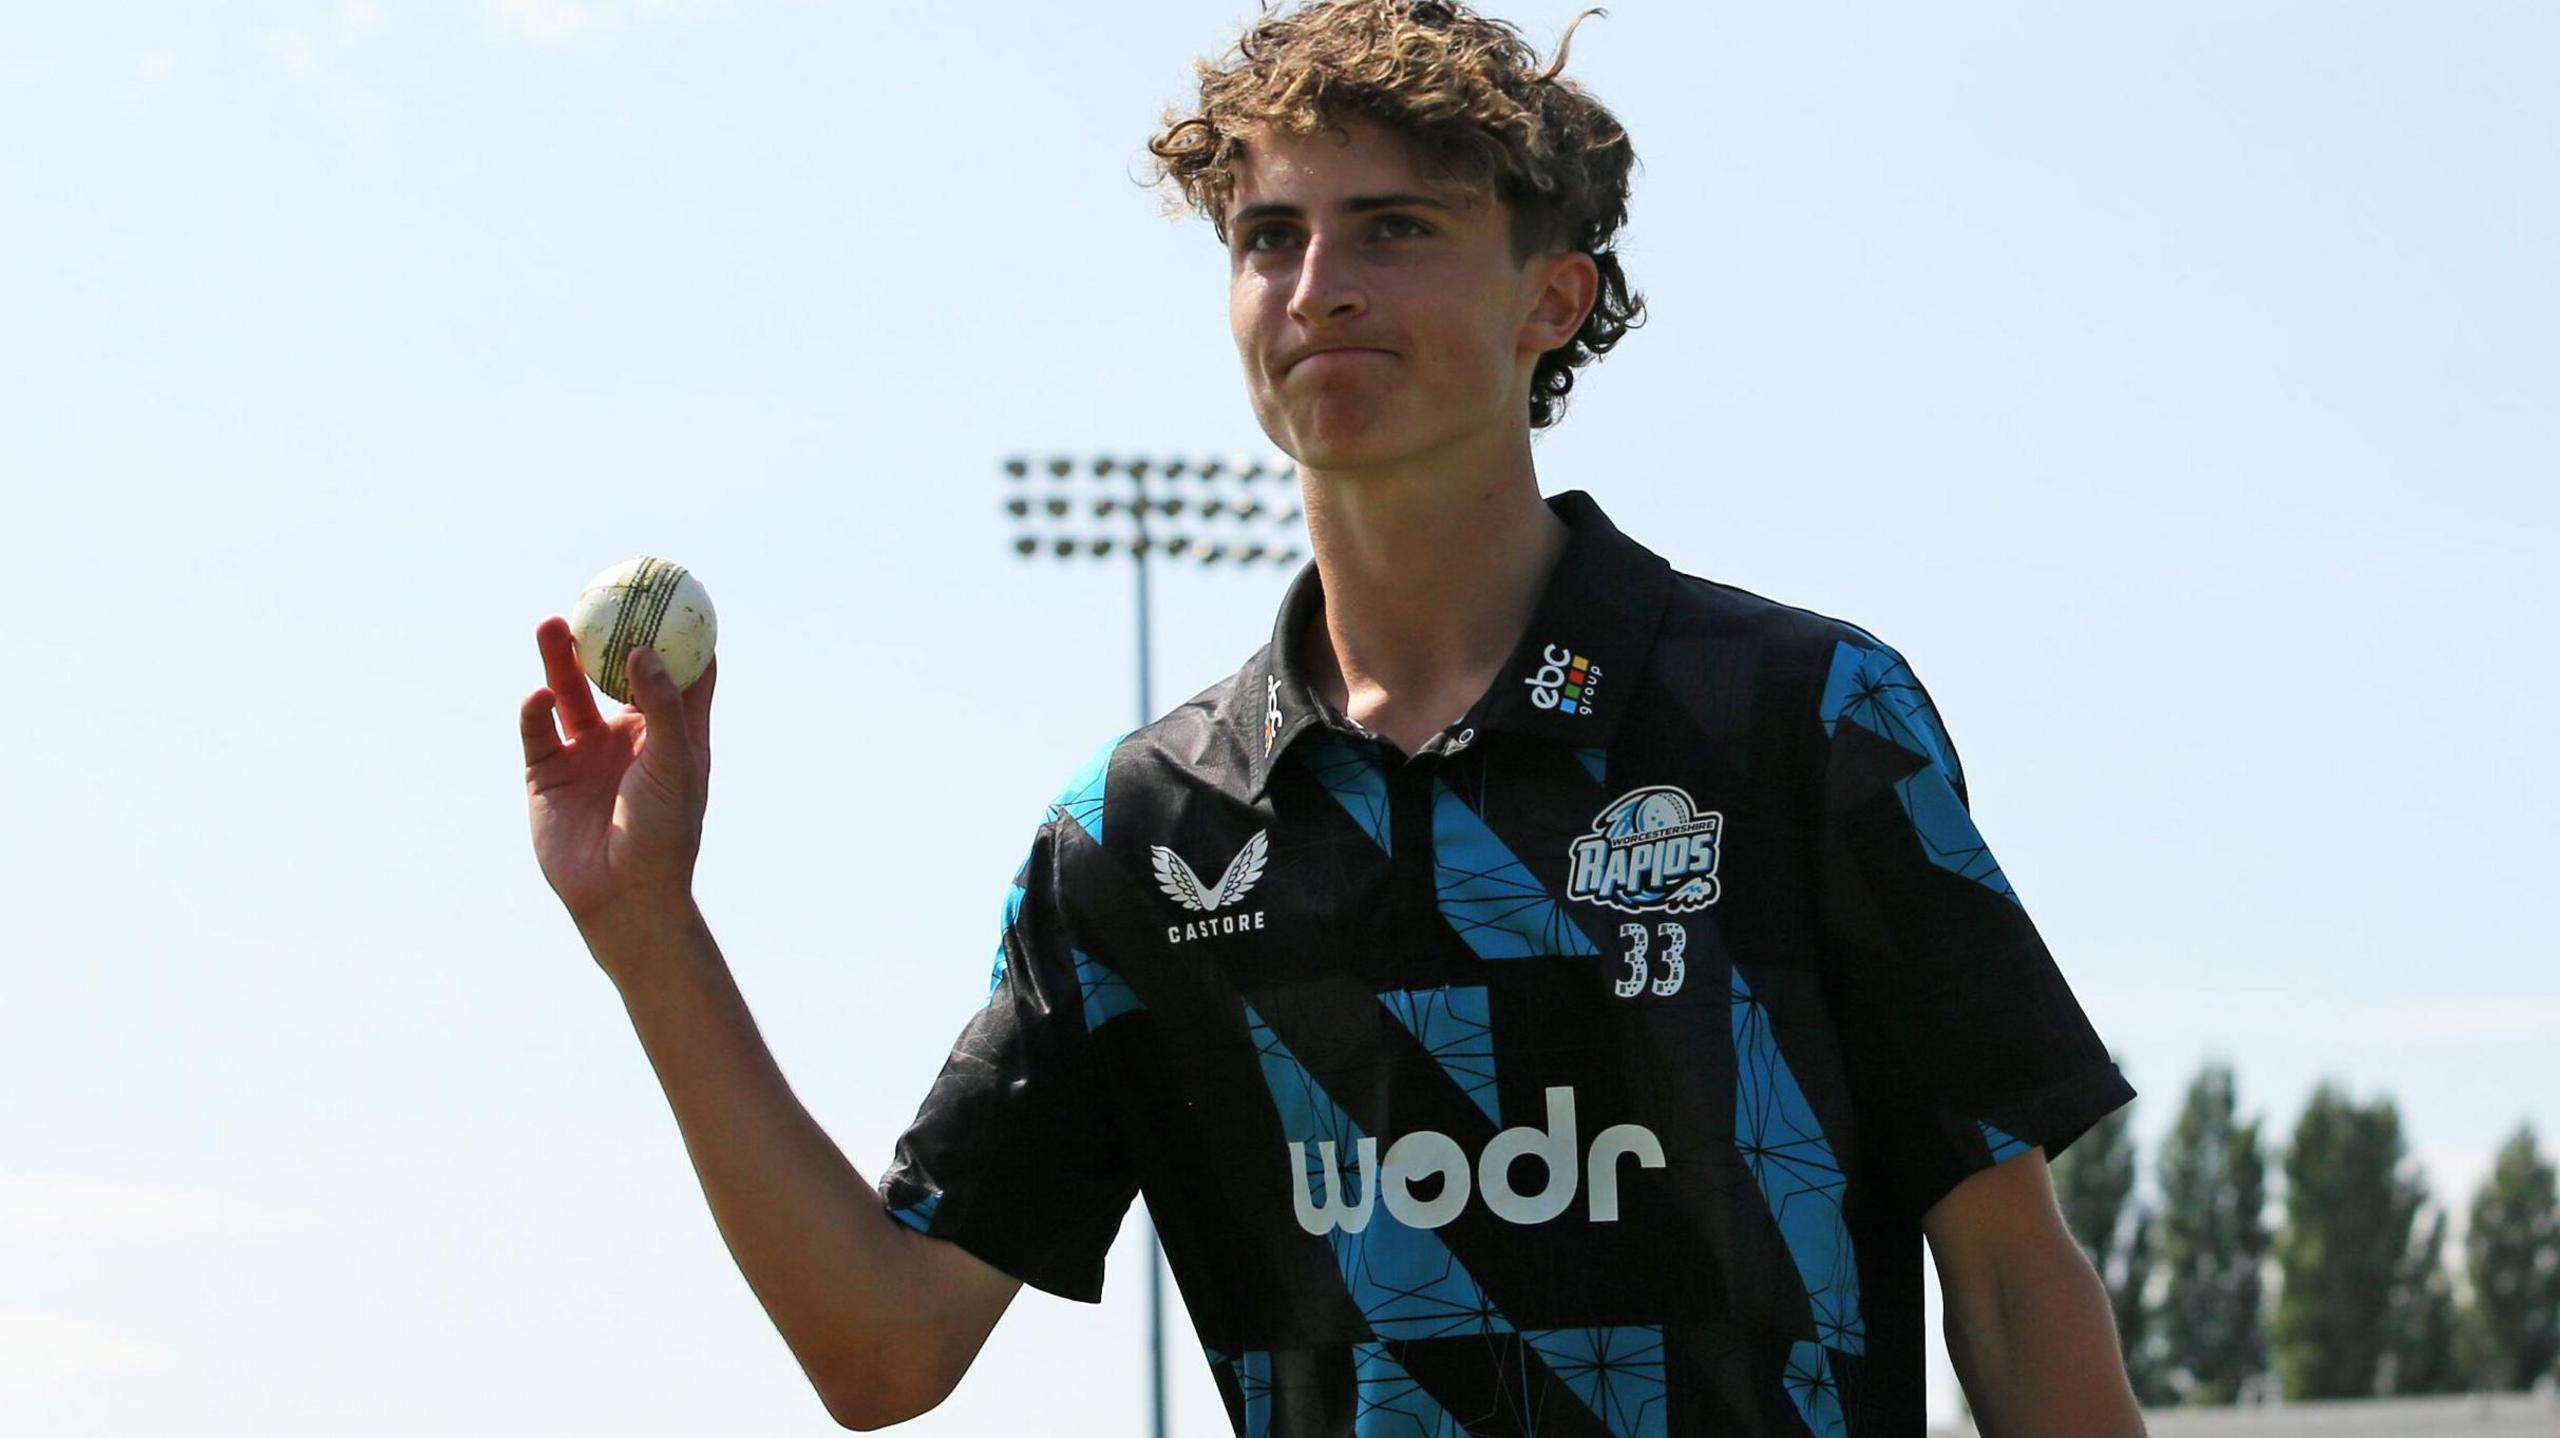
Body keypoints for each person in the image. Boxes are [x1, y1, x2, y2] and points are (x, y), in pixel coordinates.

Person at [517, 1, 2147, 1432]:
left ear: (1551, 298)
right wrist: (649, 932)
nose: (1317, 287)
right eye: (1268, 238)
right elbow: (881, 1346)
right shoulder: (1142, 836)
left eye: (1393, 230)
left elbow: (2010, 1291)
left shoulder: (1798, 716)